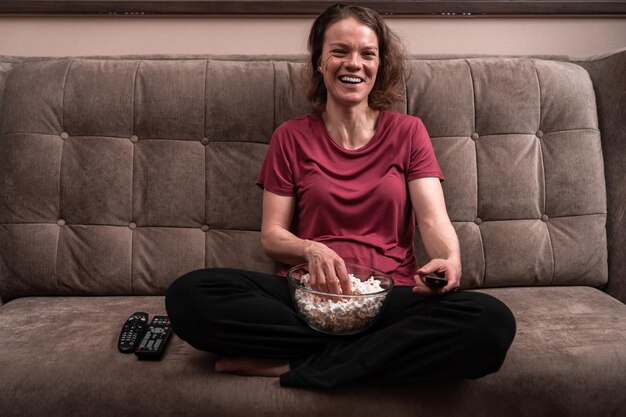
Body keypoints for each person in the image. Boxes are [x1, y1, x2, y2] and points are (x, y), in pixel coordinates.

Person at [165, 3, 516, 389]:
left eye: (367, 53)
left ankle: (299, 362)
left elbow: (432, 220)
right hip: (306, 299)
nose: (354, 64)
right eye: (339, 52)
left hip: (388, 297)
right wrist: (312, 250)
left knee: (491, 323)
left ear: (380, 64)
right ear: (320, 61)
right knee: (189, 296)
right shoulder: (291, 137)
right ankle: (362, 356)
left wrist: (448, 259)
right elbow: (272, 236)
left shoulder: (409, 132)